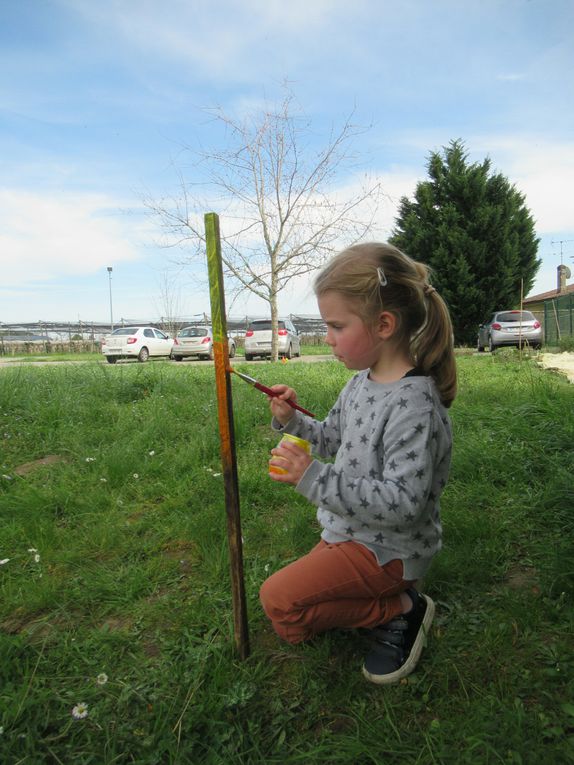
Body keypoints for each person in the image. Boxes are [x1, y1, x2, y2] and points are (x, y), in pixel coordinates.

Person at [260, 242, 456, 685]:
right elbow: (330, 436)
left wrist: (311, 477)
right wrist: (292, 419)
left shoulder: (415, 407)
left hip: (390, 549)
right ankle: (388, 602)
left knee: (280, 603)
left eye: (336, 325)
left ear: (384, 324)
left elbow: (404, 504)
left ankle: (402, 608)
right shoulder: (359, 385)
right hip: (351, 533)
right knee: (292, 608)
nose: (327, 337)